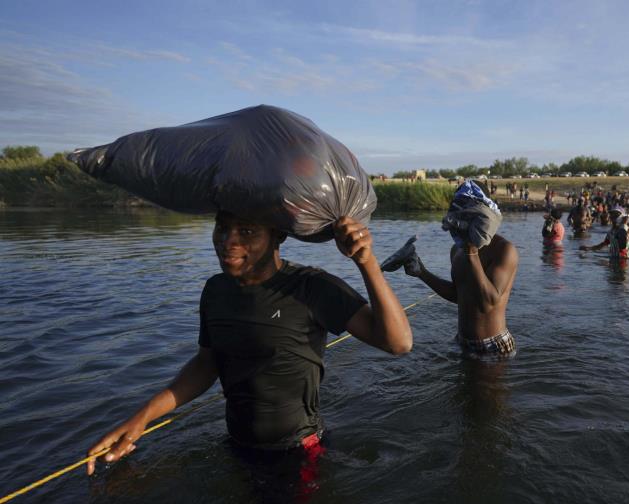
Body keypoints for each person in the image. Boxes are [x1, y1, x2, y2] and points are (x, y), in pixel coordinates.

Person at [86, 212, 412, 474]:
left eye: (247, 231)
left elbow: (398, 343)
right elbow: (206, 363)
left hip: (299, 453)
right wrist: (140, 419)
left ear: (278, 235)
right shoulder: (216, 290)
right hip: (236, 445)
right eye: (222, 228)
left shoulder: (311, 288)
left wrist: (366, 262)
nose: (229, 242)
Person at [393, 186, 519, 360]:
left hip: (493, 344)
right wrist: (421, 272)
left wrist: (471, 252)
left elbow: (488, 303)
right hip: (462, 341)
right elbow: (459, 295)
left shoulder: (504, 250)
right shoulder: (456, 250)